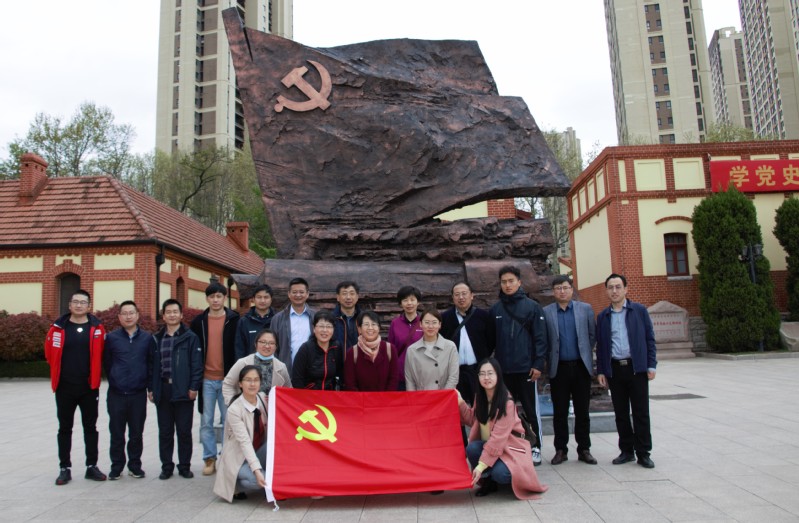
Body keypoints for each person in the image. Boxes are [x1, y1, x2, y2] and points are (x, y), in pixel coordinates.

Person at [458, 358, 548, 499]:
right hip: (491, 446)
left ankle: (503, 475)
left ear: (498, 376)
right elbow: (472, 420)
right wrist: (460, 401)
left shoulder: (507, 402)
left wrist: (480, 466)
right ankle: (488, 481)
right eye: (482, 374)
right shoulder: (480, 397)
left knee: (500, 474)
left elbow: (498, 439)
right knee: (472, 448)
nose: (486, 377)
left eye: (490, 373)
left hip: (510, 447)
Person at [45, 289, 107, 485]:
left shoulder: (97, 328)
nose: (79, 305)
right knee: (65, 428)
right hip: (64, 387)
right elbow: (49, 354)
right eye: (75, 302)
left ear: (89, 306)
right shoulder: (57, 329)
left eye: (83, 302)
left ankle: (91, 466)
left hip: (89, 387)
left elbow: (102, 353)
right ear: (70, 305)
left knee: (90, 428)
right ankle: (65, 468)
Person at [596, 273, 657, 469]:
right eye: (610, 287)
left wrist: (651, 364)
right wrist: (601, 370)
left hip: (636, 368)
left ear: (625, 289)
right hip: (615, 370)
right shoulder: (603, 316)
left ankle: (643, 452)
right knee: (621, 413)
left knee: (641, 412)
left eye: (618, 287)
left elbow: (649, 339)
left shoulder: (639, 311)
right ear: (607, 291)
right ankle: (627, 451)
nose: (614, 291)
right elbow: (601, 346)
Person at [490, 265, 547, 466]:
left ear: (519, 282)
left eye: (511, 281)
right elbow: (491, 341)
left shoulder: (532, 307)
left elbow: (540, 338)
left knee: (531, 410)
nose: (507, 285)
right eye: (503, 282)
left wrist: (538, 364)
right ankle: (508, 446)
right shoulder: (496, 309)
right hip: (504, 371)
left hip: (526, 370)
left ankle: (536, 446)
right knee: (504, 411)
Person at [542, 276, 598, 465]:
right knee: (560, 412)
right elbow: (546, 340)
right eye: (558, 288)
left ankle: (584, 449)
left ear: (571, 289)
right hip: (559, 368)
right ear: (553, 291)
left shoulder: (585, 309)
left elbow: (592, 335)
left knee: (583, 411)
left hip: (581, 366)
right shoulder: (547, 312)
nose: (562, 291)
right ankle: (561, 450)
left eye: (565, 287)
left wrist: (584, 353)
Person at [149, 299, 203, 480]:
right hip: (163, 389)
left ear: (181, 315)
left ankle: (184, 466)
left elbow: (196, 364)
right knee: (165, 432)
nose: (172, 315)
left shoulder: (190, 337)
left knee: (184, 431)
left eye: (175, 312)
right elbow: (152, 366)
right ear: (163, 316)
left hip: (183, 389)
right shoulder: (157, 339)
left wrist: (194, 386)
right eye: (168, 312)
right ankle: (166, 466)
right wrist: (151, 388)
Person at [190, 281, 240, 476]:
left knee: (229, 421)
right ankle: (209, 458)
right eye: (212, 297)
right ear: (207, 299)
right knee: (206, 421)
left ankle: (226, 458)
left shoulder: (234, 320)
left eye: (219, 296)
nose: (215, 300)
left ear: (225, 298)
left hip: (228, 380)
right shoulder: (198, 322)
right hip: (206, 380)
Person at [103, 300, 152, 480]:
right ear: (119, 317)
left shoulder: (147, 338)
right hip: (116, 394)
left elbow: (150, 363)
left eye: (131, 313)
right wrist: (116, 378)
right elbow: (107, 362)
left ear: (137, 315)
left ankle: (135, 465)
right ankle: (116, 466)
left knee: (136, 433)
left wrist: (149, 387)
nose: (128, 316)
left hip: (138, 393)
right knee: (116, 432)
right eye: (125, 313)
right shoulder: (111, 338)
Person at [213, 365, 268, 502]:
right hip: (239, 458)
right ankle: (234, 484)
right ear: (240, 384)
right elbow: (245, 443)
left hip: (257, 451)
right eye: (248, 380)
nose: (252, 384)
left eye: (256, 380)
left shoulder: (262, 398)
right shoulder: (234, 409)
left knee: (274, 446)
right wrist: (257, 471)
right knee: (261, 480)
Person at [441, 282, 494, 405]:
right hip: (455, 372)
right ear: (452, 297)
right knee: (457, 406)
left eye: (464, 293)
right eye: (457, 294)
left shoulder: (483, 316)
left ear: (472, 295)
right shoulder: (445, 318)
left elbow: (491, 340)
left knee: (480, 404)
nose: (461, 297)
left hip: (477, 369)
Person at [223, 329, 292, 406]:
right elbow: (228, 384)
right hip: (245, 409)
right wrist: (233, 404)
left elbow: (288, 391)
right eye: (263, 342)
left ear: (276, 346)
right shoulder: (242, 363)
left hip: (272, 410)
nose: (267, 346)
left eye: (271, 343)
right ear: (255, 344)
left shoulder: (281, 367)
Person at [404, 307, 459, 391]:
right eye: (427, 322)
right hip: (421, 396)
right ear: (420, 324)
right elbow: (410, 381)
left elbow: (453, 377)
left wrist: (444, 396)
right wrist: (414, 398)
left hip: (444, 396)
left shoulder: (450, 347)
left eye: (434, 322)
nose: (430, 326)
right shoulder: (412, 350)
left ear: (439, 325)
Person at [271, 277, 317, 376]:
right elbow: (272, 346)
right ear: (289, 294)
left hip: (311, 371)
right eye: (294, 292)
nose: (298, 295)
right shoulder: (277, 319)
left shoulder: (315, 317)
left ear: (307, 294)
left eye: (301, 292)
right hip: (285, 371)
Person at [344, 311, 398, 391]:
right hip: (360, 398)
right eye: (366, 324)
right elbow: (350, 383)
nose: (370, 328)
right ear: (359, 329)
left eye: (374, 324)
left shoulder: (390, 349)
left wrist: (386, 397)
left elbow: (393, 379)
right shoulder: (352, 352)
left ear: (379, 328)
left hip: (385, 398)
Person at [291, 310, 343, 390]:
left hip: (329, 395)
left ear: (333, 329)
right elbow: (296, 379)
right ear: (314, 328)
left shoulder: (336, 347)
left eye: (329, 326)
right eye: (321, 326)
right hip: (309, 395)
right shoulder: (306, 349)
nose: (325, 330)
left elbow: (340, 373)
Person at [387, 286, 424, 390]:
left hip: (420, 373)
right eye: (405, 300)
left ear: (418, 302)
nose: (409, 303)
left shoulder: (424, 322)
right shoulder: (395, 323)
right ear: (400, 303)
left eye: (412, 300)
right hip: (400, 374)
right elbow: (390, 349)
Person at [234, 284, 276, 360]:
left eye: (266, 297)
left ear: (271, 299)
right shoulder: (244, 321)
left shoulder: (277, 319)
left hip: (273, 364)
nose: (262, 300)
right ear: (253, 299)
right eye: (259, 297)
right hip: (250, 365)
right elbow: (239, 349)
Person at [332, 281, 362, 351]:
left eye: (352, 293)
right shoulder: (331, 319)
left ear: (357, 297)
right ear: (338, 297)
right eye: (344, 294)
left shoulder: (363, 318)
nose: (348, 297)